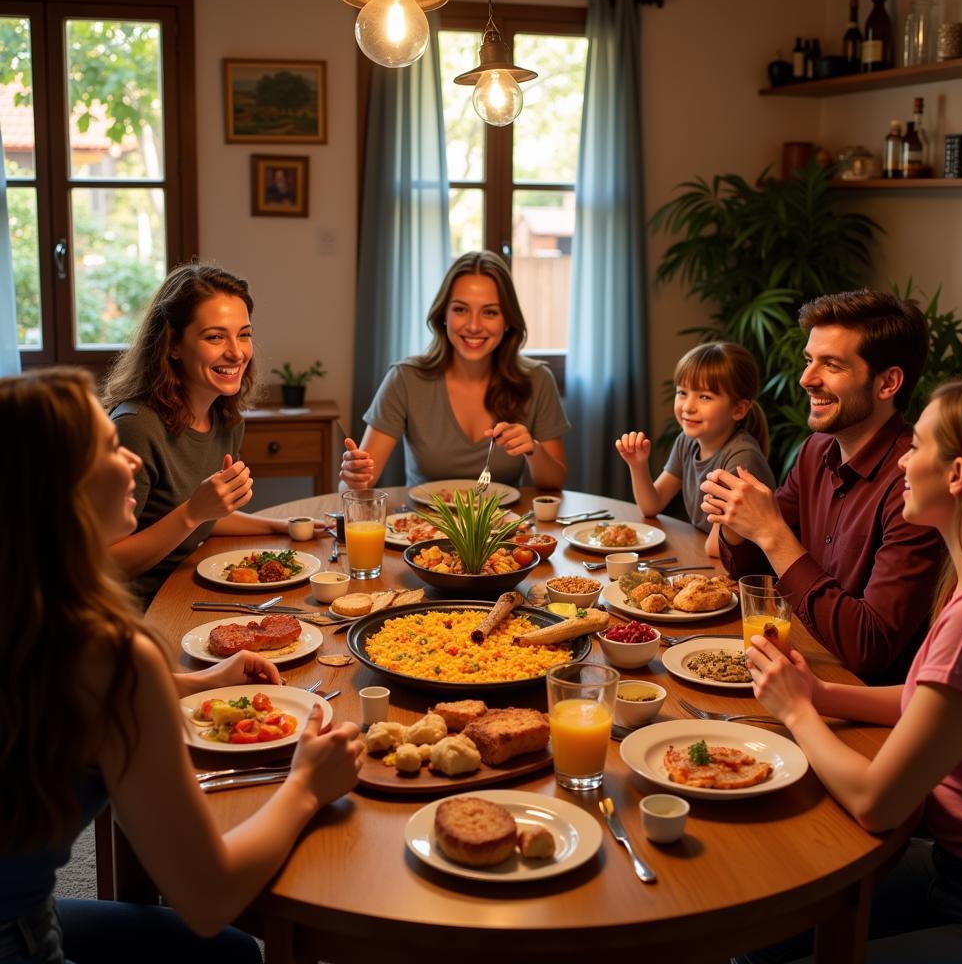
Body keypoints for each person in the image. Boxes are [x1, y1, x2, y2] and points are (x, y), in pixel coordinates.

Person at [0, 368, 364, 964]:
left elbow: (70, 688)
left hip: (21, 904)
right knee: (234, 950)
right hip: (18, 937)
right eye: (109, 450)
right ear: (55, 490)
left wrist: (201, 681)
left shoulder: (28, 616)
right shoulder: (113, 653)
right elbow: (208, 894)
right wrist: (305, 787)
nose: (133, 464)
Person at [741, 378, 962, 964]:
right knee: (756, 936)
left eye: (917, 446)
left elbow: (877, 802)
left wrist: (796, 711)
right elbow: (928, 704)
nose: (902, 459)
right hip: (955, 868)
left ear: (957, 475)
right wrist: (821, 693)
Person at [701, 290, 946, 683]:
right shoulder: (816, 450)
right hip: (801, 665)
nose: (806, 379)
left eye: (831, 365)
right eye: (809, 360)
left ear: (888, 383)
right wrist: (736, 518)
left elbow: (869, 648)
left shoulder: (915, 484)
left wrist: (771, 532)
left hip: (868, 709)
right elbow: (755, 567)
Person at [102, 262, 308, 601]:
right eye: (215, 336)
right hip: (137, 613)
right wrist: (193, 513)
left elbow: (205, 515)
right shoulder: (135, 428)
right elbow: (103, 565)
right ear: (172, 345)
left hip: (190, 592)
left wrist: (284, 526)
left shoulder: (225, 418)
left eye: (244, 334)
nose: (236, 352)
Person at [340, 250, 569, 491]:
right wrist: (354, 478)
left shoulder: (538, 380)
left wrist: (533, 449)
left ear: (508, 320)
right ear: (444, 315)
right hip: (419, 526)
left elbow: (555, 483)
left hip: (506, 526)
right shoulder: (405, 379)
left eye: (490, 312)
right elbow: (353, 490)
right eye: (461, 309)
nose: (473, 326)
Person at [615, 342, 775, 558]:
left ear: (738, 409)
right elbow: (651, 506)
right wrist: (638, 464)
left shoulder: (741, 459)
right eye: (682, 392)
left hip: (746, 571)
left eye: (705, 397)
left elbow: (717, 547)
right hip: (710, 556)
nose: (688, 406)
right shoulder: (686, 442)